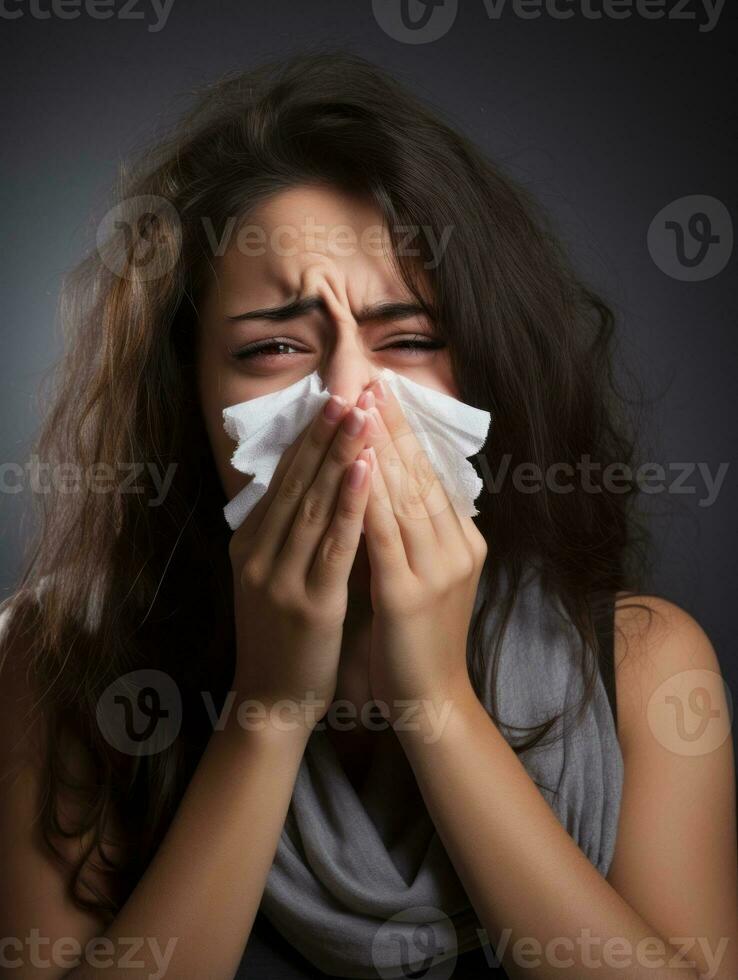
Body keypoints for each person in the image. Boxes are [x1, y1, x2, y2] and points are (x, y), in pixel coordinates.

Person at [0, 50, 735, 980]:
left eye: (411, 339)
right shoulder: (59, 658)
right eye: (273, 347)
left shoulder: (643, 664)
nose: (350, 393)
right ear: (186, 394)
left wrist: (435, 700)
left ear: (486, 367)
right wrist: (267, 710)